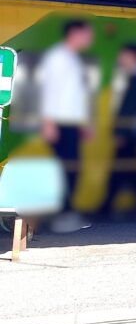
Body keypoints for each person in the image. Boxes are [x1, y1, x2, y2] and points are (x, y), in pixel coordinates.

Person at [36, 20, 94, 232]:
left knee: (71, 169)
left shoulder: (71, 58)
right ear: (74, 33)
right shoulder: (58, 57)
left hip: (70, 124)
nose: (90, 38)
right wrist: (49, 123)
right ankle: (62, 217)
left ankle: (66, 214)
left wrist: (83, 124)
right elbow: (51, 92)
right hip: (59, 124)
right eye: (87, 34)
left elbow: (73, 97)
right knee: (65, 170)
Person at [101, 44, 136, 217]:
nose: (120, 58)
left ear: (134, 57)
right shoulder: (135, 78)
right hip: (133, 134)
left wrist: (121, 133)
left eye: (124, 55)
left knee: (120, 170)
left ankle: (106, 206)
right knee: (131, 170)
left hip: (129, 134)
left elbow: (129, 109)